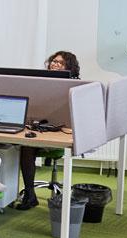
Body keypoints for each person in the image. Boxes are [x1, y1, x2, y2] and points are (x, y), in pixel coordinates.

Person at [15, 51, 81, 211]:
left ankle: (30, 194)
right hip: (39, 129)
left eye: (60, 63)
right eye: (54, 61)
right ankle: (29, 194)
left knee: (27, 148)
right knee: (24, 145)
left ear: (69, 67)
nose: (55, 64)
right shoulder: (42, 83)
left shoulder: (75, 87)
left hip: (60, 134)